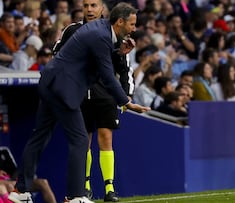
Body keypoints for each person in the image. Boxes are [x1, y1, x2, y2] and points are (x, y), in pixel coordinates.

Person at [14, 3, 150, 203]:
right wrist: (127, 102)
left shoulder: (101, 31)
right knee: (79, 140)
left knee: (39, 137)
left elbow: (94, 58)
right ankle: (75, 196)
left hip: (51, 83)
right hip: (63, 89)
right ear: (120, 22)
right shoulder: (101, 35)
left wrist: (118, 53)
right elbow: (106, 74)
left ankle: (21, 192)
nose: (134, 28)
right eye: (132, 24)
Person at [53, 0, 137, 201]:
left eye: (94, 5)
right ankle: (86, 186)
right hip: (80, 93)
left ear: (102, 9)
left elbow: (124, 67)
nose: (89, 10)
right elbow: (57, 54)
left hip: (105, 93)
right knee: (84, 141)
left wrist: (125, 94)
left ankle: (109, 188)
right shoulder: (71, 30)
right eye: (86, 5)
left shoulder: (113, 31)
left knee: (106, 138)